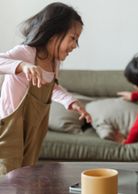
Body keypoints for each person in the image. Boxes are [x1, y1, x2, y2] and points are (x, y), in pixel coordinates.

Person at [0, 2, 92, 175]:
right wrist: (21, 66)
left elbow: (52, 88)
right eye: (73, 38)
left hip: (35, 129)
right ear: (53, 34)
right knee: (7, 173)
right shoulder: (26, 53)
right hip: (11, 127)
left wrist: (71, 102)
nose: (75, 45)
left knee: (26, 173)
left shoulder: (54, 62)